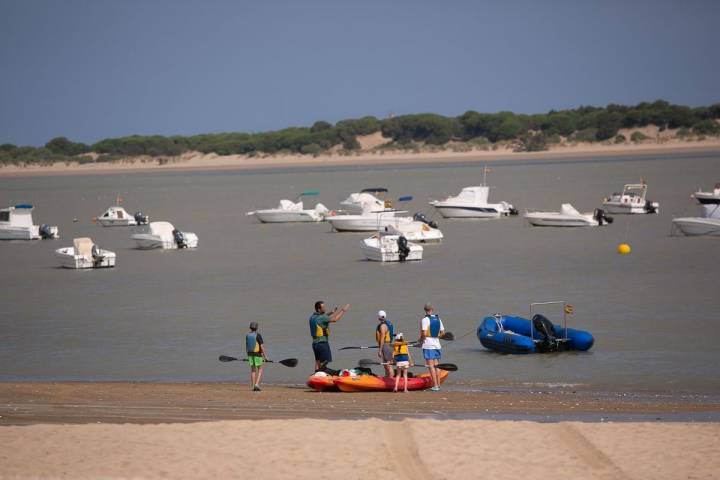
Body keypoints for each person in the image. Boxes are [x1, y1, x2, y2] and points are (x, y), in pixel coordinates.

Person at [309, 300, 350, 371]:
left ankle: (316, 375)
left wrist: (332, 312)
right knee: (326, 361)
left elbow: (323, 317)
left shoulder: (312, 317)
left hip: (315, 344)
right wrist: (343, 310)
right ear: (319, 309)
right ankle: (321, 372)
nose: (325, 309)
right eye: (323, 307)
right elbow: (335, 319)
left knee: (318, 361)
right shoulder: (322, 318)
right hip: (322, 343)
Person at [418, 302, 445, 391]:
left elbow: (424, 333)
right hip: (437, 344)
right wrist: (436, 337)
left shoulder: (425, 320)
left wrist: (420, 340)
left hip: (428, 344)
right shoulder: (438, 319)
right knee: (436, 365)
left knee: (431, 366)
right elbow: (442, 333)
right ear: (432, 309)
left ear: (425, 310)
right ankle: (438, 384)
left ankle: (435, 386)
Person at [246, 321, 268, 392]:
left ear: (250, 328)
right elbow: (262, 347)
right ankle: (256, 384)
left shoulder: (247, 335)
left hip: (250, 354)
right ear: (257, 328)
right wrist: (265, 357)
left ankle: (253, 387)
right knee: (260, 369)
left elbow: (246, 346)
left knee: (253, 370)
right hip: (257, 354)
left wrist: (248, 355)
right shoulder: (258, 335)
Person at [375, 310, 394, 377]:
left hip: (385, 346)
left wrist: (380, 350)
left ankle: (391, 380)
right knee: (386, 365)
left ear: (379, 317)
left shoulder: (383, 326)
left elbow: (382, 337)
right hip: (387, 345)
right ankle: (387, 378)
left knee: (388, 365)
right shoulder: (388, 323)